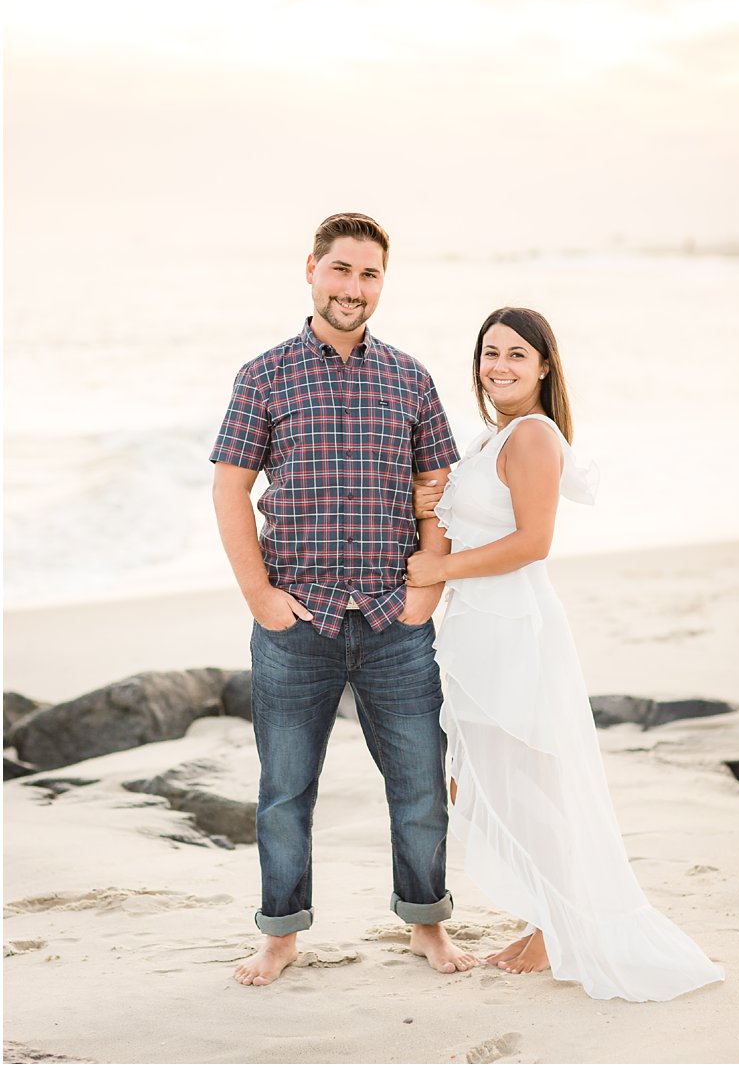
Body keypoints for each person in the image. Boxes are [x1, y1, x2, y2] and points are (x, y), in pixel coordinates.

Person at [404, 306, 724, 1002]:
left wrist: (437, 572)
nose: (501, 366)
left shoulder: (535, 437)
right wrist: (433, 498)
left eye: (517, 354)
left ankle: (559, 926)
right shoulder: (493, 438)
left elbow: (532, 542)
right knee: (498, 779)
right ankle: (547, 914)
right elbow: (469, 521)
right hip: (479, 626)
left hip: (517, 626)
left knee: (533, 782)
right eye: (490, 353)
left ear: (545, 366)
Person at [211, 212, 473, 987]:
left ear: (381, 283)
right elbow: (230, 489)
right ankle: (281, 934)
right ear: (312, 271)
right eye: (342, 271)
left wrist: (427, 586)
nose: (354, 288)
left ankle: (427, 922)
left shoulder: (411, 377)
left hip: (396, 622)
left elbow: (441, 495)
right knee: (285, 790)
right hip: (298, 622)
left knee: (422, 783)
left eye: (369, 275)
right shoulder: (263, 375)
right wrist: (259, 595)